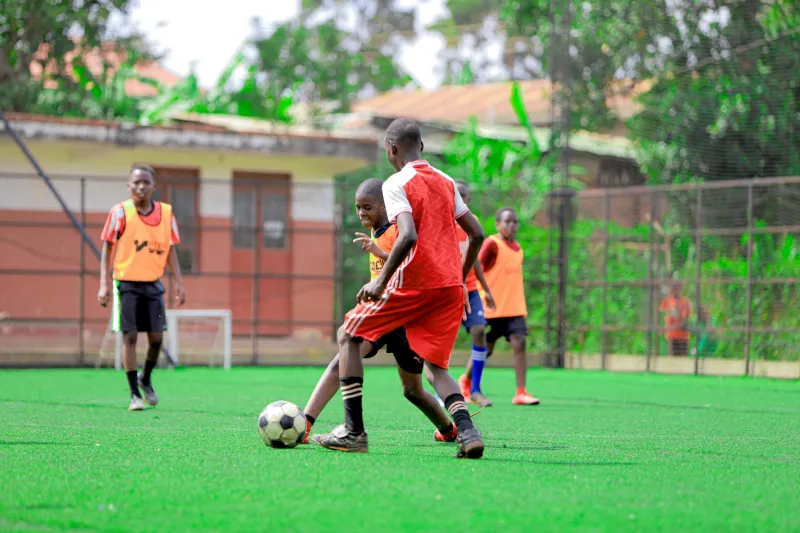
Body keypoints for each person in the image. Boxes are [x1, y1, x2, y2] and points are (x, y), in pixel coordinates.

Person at [312, 118, 486, 459]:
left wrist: (379, 280)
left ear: (390, 149)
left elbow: (407, 235)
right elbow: (477, 233)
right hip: (450, 286)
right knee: (437, 369)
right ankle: (468, 432)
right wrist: (461, 281)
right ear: (420, 146)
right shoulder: (448, 181)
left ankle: (353, 432)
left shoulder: (396, 183)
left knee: (348, 336)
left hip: (416, 282)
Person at [301, 178, 457, 444]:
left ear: (385, 206)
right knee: (343, 355)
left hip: (407, 318)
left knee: (413, 390)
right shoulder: (376, 231)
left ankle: (448, 429)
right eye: (359, 207)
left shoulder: (400, 230)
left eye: (368, 207)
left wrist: (380, 257)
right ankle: (305, 423)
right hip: (381, 315)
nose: (362, 213)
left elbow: (411, 265)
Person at [98, 164, 186, 411]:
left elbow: (170, 250)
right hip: (126, 283)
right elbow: (107, 246)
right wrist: (104, 283)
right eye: (136, 182)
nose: (140, 186)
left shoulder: (166, 214)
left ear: (153, 186)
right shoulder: (120, 212)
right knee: (130, 336)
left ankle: (145, 379)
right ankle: (134, 394)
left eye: (145, 182)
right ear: (129, 186)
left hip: (153, 285)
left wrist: (179, 282)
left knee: (157, 338)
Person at [463, 207, 540, 406]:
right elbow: (475, 266)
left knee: (519, 343)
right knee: (485, 349)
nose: (512, 225)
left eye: (515, 222)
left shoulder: (518, 248)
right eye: (507, 222)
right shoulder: (491, 244)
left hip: (513, 308)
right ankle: (466, 381)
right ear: (498, 224)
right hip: (491, 307)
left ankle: (521, 392)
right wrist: (483, 294)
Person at [452, 180, 496, 408]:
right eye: (456, 194)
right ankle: (446, 392)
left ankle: (475, 388)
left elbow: (476, 260)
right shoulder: (440, 221)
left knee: (479, 330)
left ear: (468, 200)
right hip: (447, 289)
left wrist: (486, 290)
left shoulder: (472, 223)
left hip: (469, 290)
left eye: (464, 195)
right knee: (444, 341)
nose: (460, 198)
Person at [659, 280, 691, 356]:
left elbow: (684, 323)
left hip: (682, 337)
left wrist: (670, 327)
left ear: (681, 288)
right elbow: (662, 315)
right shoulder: (667, 301)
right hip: (671, 336)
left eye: (677, 287)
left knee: (683, 361)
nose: (674, 290)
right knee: (672, 361)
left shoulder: (685, 302)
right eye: (673, 287)